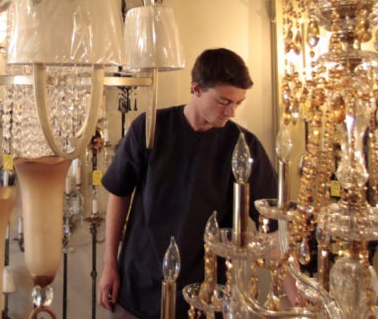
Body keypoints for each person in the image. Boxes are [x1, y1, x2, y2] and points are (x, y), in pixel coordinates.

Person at [98, 48, 277, 318]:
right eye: (224, 101)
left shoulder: (243, 146)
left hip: (206, 295)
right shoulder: (149, 128)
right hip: (138, 283)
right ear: (196, 89)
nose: (232, 112)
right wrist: (109, 263)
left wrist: (293, 290)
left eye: (238, 103)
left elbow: (273, 225)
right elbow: (119, 193)